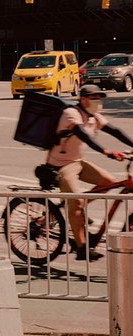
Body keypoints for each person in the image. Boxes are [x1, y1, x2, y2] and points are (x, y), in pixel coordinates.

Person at [46, 84, 133, 260]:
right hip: (61, 165)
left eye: (98, 98)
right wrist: (105, 151)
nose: (97, 102)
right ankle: (81, 248)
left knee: (108, 182)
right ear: (83, 99)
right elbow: (82, 134)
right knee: (76, 201)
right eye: (94, 98)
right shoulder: (71, 114)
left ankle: (77, 209)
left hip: (78, 162)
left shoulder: (93, 116)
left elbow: (115, 131)